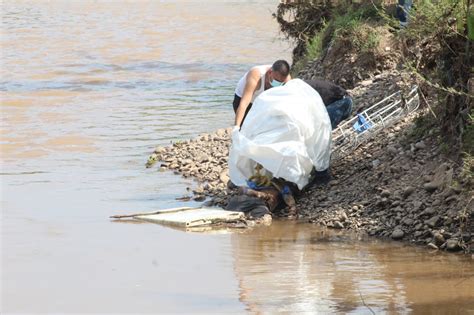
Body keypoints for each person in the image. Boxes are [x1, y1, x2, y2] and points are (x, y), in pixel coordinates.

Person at [233, 60, 291, 128]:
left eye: (280, 82)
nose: (278, 84)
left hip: (263, 102)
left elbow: (287, 103)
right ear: (270, 72)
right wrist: (236, 127)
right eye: (276, 80)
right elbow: (244, 103)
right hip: (244, 100)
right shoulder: (256, 75)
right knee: (246, 128)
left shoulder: (287, 80)